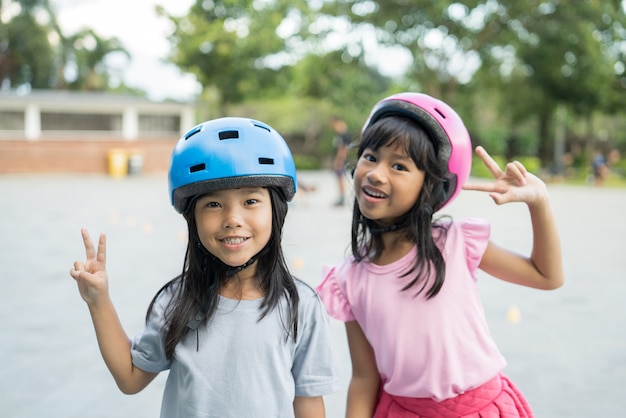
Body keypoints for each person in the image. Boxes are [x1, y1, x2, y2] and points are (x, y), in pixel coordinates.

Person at [70, 117, 339, 418]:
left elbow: (309, 402)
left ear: (276, 212)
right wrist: (99, 301)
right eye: (213, 204)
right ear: (192, 217)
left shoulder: (301, 306)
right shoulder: (177, 300)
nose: (232, 219)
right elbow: (131, 377)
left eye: (251, 200)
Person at [316, 93, 564, 417]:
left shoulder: (455, 243)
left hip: (481, 410)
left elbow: (547, 276)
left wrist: (538, 202)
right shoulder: (347, 279)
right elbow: (365, 378)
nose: (377, 173)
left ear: (431, 187)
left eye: (399, 165)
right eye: (371, 157)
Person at [330, 116, 352, 206]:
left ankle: (342, 198)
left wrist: (339, 160)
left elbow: (343, 148)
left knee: (340, 178)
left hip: (341, 159)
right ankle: (341, 196)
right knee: (339, 178)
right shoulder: (341, 134)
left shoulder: (344, 134)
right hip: (341, 159)